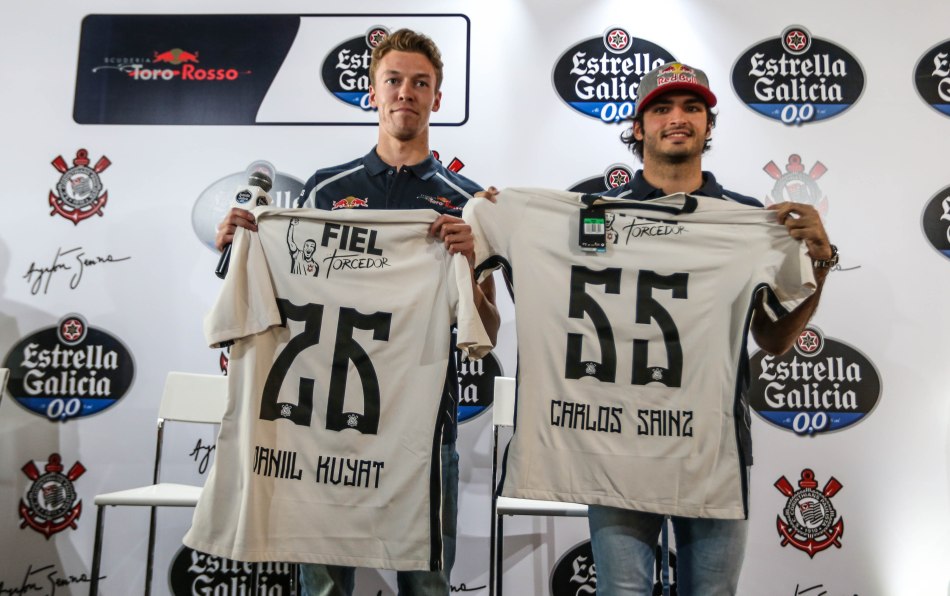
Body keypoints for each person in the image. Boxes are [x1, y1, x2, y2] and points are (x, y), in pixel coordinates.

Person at [214, 28, 499, 596]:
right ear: (372, 92)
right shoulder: (324, 190)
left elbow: (485, 329)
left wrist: (470, 263)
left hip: (424, 428)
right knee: (322, 588)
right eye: (393, 80)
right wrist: (240, 246)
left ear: (437, 98)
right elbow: (276, 299)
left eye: (420, 83)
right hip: (321, 424)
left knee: (426, 586)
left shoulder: (467, 201)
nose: (406, 92)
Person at [586, 62, 836, 595]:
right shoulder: (599, 215)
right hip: (619, 444)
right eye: (662, 108)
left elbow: (773, 339)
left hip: (714, 446)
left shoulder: (744, 218)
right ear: (638, 127)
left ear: (708, 125)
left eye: (692, 107)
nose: (677, 118)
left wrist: (819, 264)